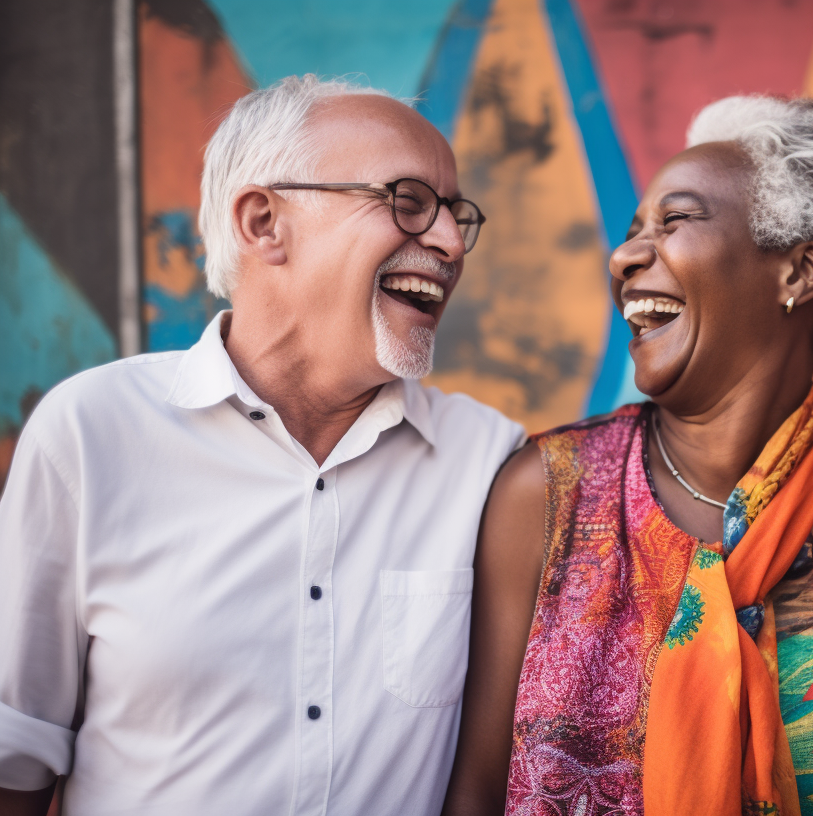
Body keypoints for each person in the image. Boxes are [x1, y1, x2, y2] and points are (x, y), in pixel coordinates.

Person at [0, 76, 522, 815]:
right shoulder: (89, 434)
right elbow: (14, 763)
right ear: (263, 222)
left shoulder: (493, 466)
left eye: (454, 215)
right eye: (407, 202)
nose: (445, 241)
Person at [443, 96, 813, 815]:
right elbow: (475, 791)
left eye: (676, 220)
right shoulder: (545, 491)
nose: (627, 255)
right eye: (633, 231)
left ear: (798, 273)